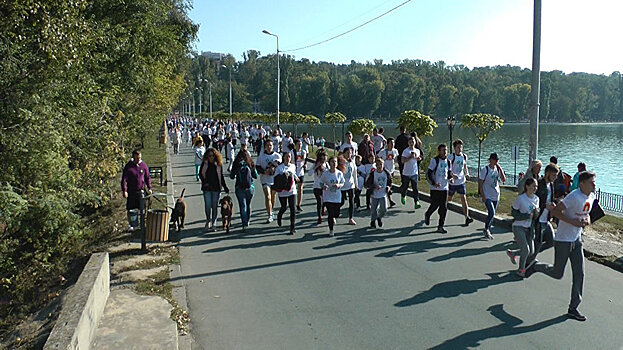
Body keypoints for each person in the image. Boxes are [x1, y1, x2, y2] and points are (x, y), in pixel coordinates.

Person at [532, 171, 596, 322]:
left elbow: (587, 214)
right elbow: (555, 212)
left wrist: (587, 220)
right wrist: (573, 222)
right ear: (582, 184)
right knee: (557, 273)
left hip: (577, 240)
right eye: (591, 182)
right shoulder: (574, 196)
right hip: (563, 240)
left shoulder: (591, 196)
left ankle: (573, 308)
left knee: (579, 274)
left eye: (594, 182)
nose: (594, 184)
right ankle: (535, 266)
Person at [526, 163, 559, 267]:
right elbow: (534, 201)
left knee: (551, 241)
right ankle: (527, 263)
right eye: (554, 175)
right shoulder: (539, 184)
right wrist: (546, 206)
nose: (555, 177)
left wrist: (555, 203)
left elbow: (550, 199)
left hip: (546, 217)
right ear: (547, 173)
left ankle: (528, 257)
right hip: (538, 218)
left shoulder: (551, 185)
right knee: (538, 242)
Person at [506, 178, 539, 277]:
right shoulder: (521, 198)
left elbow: (535, 215)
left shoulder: (536, 199)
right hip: (518, 226)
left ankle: (513, 253)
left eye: (536, 186)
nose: (535, 188)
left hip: (529, 227)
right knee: (526, 250)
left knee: (531, 251)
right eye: (533, 186)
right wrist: (526, 216)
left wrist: (537, 214)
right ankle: (521, 270)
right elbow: (513, 213)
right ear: (527, 186)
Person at [199, 148, 229, 231]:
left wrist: (225, 187)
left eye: (212, 156)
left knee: (214, 206)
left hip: (216, 188)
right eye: (209, 156)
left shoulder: (218, 164)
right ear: (207, 156)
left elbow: (221, 177)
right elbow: (200, 174)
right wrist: (205, 182)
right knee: (208, 206)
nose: (211, 157)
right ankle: (208, 220)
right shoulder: (205, 164)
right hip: (207, 188)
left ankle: (214, 223)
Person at [121, 150, 152, 232]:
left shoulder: (143, 165)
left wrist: (149, 188)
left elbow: (147, 177)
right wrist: (124, 190)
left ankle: (142, 223)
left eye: (140, 158)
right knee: (130, 208)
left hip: (141, 190)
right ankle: (131, 224)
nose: (139, 159)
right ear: (133, 157)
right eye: (137, 158)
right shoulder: (129, 166)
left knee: (142, 208)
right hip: (131, 191)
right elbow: (124, 179)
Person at [424, 144, 452, 233]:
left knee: (444, 207)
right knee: (434, 205)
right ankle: (428, 214)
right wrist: (433, 183)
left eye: (446, 150)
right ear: (439, 151)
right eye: (443, 150)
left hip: (444, 188)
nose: (445, 152)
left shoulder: (448, 162)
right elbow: (428, 174)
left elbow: (449, 174)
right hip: (435, 188)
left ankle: (440, 226)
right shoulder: (434, 161)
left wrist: (451, 179)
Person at [479, 153, 506, 239]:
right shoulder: (485, 170)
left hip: (495, 195)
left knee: (492, 214)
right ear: (490, 160)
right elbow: (480, 183)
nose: (496, 161)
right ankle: (487, 229)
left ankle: (487, 229)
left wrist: (500, 168)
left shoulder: (497, 169)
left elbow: (503, 179)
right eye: (494, 160)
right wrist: (483, 195)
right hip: (487, 195)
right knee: (491, 212)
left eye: (497, 160)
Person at [230, 149, 257, 230]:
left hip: (239, 187)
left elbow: (231, 176)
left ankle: (244, 223)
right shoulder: (250, 163)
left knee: (242, 205)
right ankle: (247, 220)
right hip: (250, 187)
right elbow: (255, 175)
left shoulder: (236, 164)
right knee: (248, 205)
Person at [447, 139, 474, 225]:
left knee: (463, 198)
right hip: (453, 182)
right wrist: (452, 174)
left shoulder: (464, 156)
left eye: (461, 147)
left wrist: (467, 174)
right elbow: (447, 169)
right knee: (449, 198)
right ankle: (442, 206)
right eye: (458, 147)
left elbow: (465, 166)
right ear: (454, 148)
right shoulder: (451, 157)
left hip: (461, 181)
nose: (460, 149)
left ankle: (467, 217)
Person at [256, 139, 282, 223]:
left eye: (270, 145)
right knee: (268, 196)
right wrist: (264, 171)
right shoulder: (261, 157)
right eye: (267, 145)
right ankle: (270, 214)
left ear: (273, 146)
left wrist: (272, 167)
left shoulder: (277, 155)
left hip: (274, 180)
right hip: (265, 179)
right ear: (265, 147)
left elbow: (279, 163)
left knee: (272, 197)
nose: (269, 147)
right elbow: (257, 167)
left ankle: (271, 209)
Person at [274, 152, 299, 235]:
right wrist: (283, 176)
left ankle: (292, 227)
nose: (288, 158)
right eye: (286, 157)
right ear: (283, 158)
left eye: (289, 157)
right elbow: (276, 179)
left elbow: (294, 174)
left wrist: (296, 177)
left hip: (292, 190)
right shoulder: (279, 168)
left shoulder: (293, 166)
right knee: (284, 207)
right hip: (283, 191)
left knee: (293, 209)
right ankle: (279, 216)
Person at [320, 156, 345, 237]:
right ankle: (331, 230)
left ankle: (334, 216)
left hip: (337, 196)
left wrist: (338, 185)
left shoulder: (339, 173)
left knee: (336, 213)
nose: (334, 163)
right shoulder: (325, 173)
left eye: (335, 162)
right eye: (332, 162)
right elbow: (321, 182)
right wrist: (323, 186)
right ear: (329, 163)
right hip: (328, 196)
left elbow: (342, 183)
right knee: (330, 213)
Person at [367, 157, 392, 228]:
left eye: (381, 164)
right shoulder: (373, 174)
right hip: (374, 194)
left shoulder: (386, 173)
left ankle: (379, 217)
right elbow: (368, 184)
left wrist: (388, 187)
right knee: (373, 209)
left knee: (384, 209)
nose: (379, 166)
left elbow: (390, 182)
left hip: (383, 194)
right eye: (378, 164)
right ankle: (373, 221)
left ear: (383, 165)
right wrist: (374, 187)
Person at [399, 137, 422, 209]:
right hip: (406, 172)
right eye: (410, 141)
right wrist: (410, 157)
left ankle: (416, 202)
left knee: (415, 188)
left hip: (414, 172)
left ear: (415, 142)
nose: (412, 143)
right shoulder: (405, 151)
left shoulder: (417, 150)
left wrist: (419, 159)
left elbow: (418, 158)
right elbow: (402, 161)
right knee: (405, 187)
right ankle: (403, 195)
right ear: (408, 143)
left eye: (413, 141)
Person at [377, 138, 398, 207]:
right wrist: (381, 162)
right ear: (387, 144)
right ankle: (389, 199)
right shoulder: (383, 152)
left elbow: (396, 159)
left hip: (392, 170)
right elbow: (377, 157)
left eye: (393, 143)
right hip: (385, 170)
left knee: (388, 185)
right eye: (391, 143)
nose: (392, 144)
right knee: (388, 185)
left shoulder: (395, 151)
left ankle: (388, 198)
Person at [339, 147, 357, 225]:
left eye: (350, 153)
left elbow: (354, 173)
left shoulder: (352, 162)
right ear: (344, 153)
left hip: (351, 184)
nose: (349, 154)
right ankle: (334, 211)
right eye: (347, 153)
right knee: (342, 201)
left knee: (351, 202)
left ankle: (351, 218)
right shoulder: (341, 162)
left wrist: (356, 184)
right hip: (342, 185)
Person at [310, 149, 328, 224]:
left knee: (324, 201)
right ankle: (319, 216)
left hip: (324, 187)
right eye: (323, 158)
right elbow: (309, 174)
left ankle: (323, 207)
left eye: (325, 157)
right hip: (317, 186)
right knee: (319, 202)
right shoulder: (315, 165)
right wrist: (316, 166)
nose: (324, 159)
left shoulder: (327, 165)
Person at [292, 139, 308, 212]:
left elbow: (305, 160)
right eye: (298, 144)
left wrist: (305, 165)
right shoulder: (292, 152)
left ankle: (298, 204)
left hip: (301, 172)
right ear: (295, 145)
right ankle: (292, 203)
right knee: (292, 189)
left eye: (301, 144)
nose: (300, 146)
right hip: (293, 172)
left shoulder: (303, 152)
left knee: (300, 188)